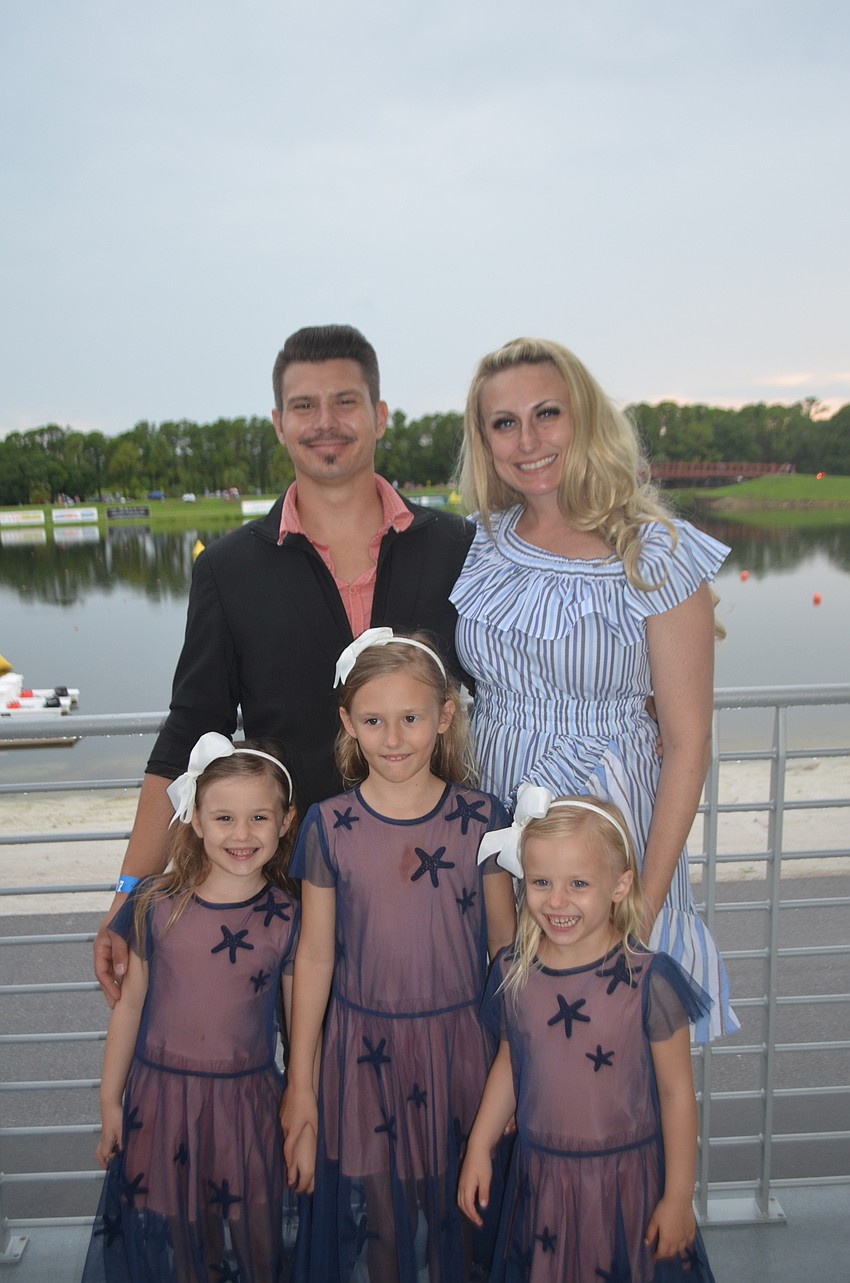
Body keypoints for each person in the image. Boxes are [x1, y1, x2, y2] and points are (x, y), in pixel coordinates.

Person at [95, 324, 475, 1006]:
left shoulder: (456, 547)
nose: (325, 423)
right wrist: (129, 890)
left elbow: (519, 677)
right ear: (277, 423)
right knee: (313, 1101)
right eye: (304, 406)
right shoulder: (228, 569)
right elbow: (191, 733)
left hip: (442, 890)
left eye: (345, 402)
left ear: (380, 416)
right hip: (297, 901)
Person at [450, 336, 738, 1041]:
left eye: (547, 412)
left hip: (612, 828)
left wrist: (643, 901)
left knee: (604, 1058)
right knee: (508, 1051)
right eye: (505, 422)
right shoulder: (477, 543)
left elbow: (689, 744)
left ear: (583, 416)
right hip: (498, 815)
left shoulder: (657, 552)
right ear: (484, 440)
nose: (530, 440)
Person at [281, 629, 517, 1282]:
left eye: (410, 718)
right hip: (363, 1056)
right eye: (374, 720)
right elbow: (315, 957)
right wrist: (301, 1081)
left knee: (463, 1215)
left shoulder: (482, 820)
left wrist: (516, 1063)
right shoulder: (328, 826)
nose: (393, 737)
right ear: (347, 724)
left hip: (463, 1048)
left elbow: (506, 952)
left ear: (443, 716)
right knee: (381, 1221)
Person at [458, 785, 717, 1283]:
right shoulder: (514, 972)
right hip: (543, 1186)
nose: (557, 902)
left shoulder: (649, 980)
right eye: (540, 883)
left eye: (578, 884)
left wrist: (679, 1196)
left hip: (627, 1188)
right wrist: (479, 1146)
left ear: (619, 886)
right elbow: (512, 1065)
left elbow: (677, 1093)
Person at [82, 732, 310, 1283]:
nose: (242, 834)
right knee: (183, 1235)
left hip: (246, 1104)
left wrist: (305, 1114)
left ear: (285, 822)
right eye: (225, 818)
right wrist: (110, 1100)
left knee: (257, 1234)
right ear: (196, 820)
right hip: (159, 1101)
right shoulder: (155, 904)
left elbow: (305, 1029)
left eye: (259, 818)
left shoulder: (288, 916)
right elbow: (129, 1007)